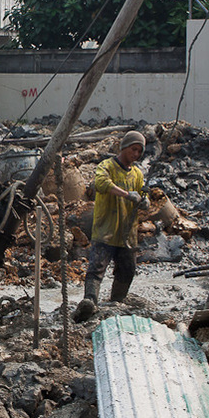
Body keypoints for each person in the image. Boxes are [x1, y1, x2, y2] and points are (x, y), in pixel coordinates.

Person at [73, 130, 151, 322]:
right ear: (124, 147)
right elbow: (100, 183)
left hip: (127, 233)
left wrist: (144, 201)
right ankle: (89, 302)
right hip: (106, 230)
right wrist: (126, 194)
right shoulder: (106, 166)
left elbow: (143, 193)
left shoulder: (137, 174)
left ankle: (116, 301)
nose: (136, 155)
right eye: (134, 149)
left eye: (139, 152)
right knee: (96, 268)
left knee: (127, 269)